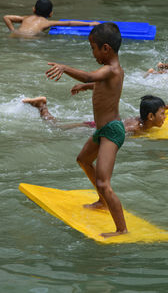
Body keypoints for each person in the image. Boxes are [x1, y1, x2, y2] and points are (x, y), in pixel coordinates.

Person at [45, 22, 127, 238]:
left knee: (103, 181)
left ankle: (122, 230)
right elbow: (99, 83)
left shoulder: (111, 69)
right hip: (102, 131)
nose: (93, 53)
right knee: (83, 160)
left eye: (93, 48)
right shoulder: (112, 73)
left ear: (106, 49)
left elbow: (92, 76)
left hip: (112, 131)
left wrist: (65, 68)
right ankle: (102, 201)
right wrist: (86, 87)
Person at [22, 95, 168, 134]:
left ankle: (41, 105)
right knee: (56, 127)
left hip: (103, 122)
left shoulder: (145, 119)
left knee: (57, 125)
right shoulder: (135, 128)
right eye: (163, 114)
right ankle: (41, 106)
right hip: (94, 127)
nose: (165, 116)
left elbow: (150, 110)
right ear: (151, 117)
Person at [3, 0, 99, 37]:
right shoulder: (47, 22)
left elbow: (6, 17)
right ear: (50, 14)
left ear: (33, 9)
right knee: (46, 37)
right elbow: (69, 23)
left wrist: (12, 31)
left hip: (15, 35)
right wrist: (90, 23)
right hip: (31, 38)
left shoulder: (26, 18)